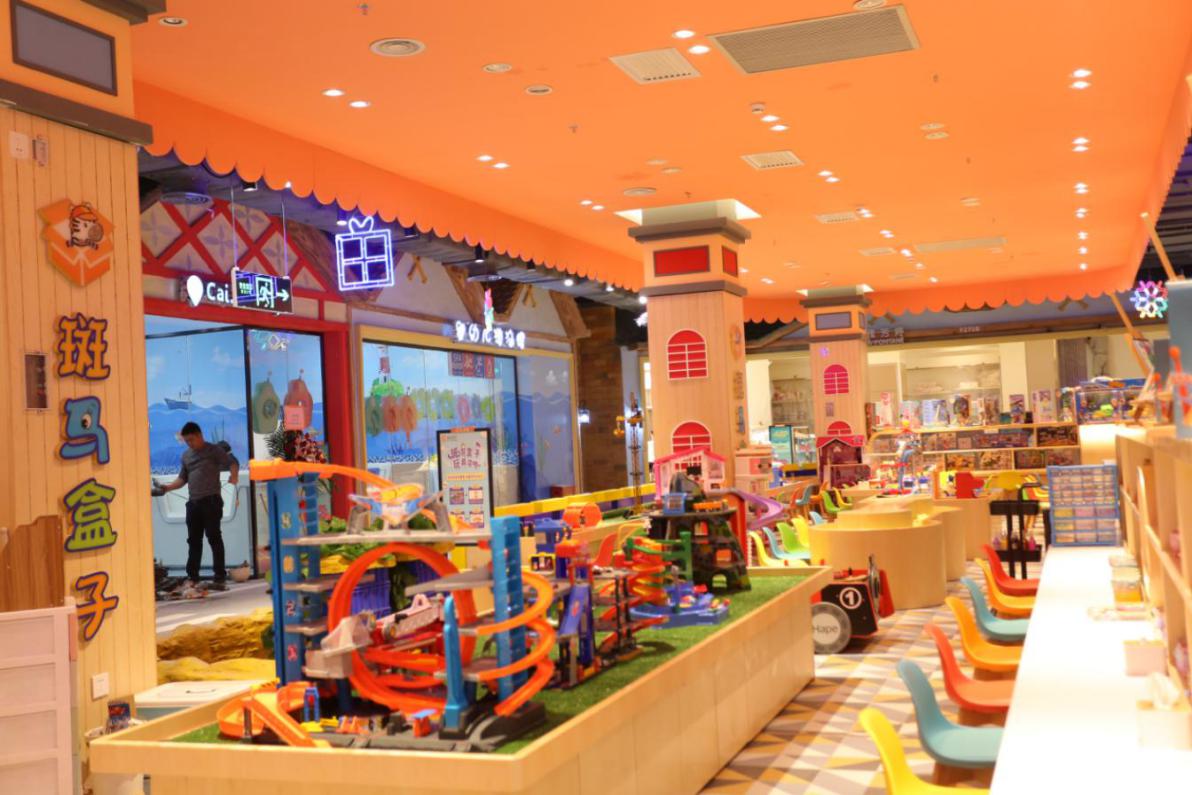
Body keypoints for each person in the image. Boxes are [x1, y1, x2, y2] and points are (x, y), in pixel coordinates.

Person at [153, 422, 239, 590]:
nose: (189, 444)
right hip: (193, 503)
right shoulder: (186, 456)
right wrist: (167, 488)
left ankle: (219, 577)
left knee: (214, 538)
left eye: (191, 440)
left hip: (211, 501)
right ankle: (193, 577)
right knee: (193, 541)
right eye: (186, 441)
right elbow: (182, 479)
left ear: (200, 435)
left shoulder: (214, 450)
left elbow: (232, 463)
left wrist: (234, 476)